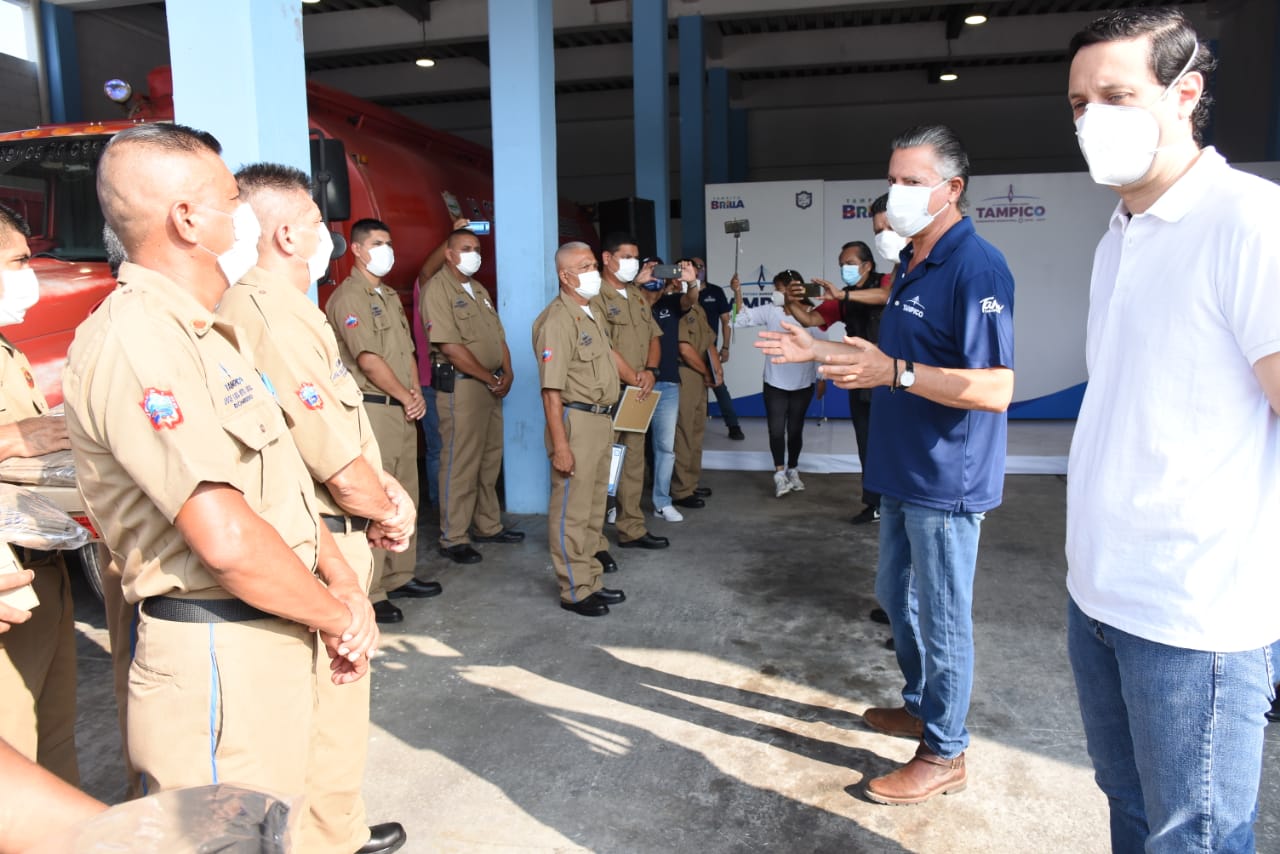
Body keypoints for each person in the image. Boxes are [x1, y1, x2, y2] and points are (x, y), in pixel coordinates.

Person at [63, 123, 377, 802]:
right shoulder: (139, 339)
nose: (242, 217)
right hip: (219, 649)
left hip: (273, 632)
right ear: (185, 218)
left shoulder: (206, 333)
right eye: (231, 199)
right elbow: (227, 540)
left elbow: (283, 491)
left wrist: (341, 579)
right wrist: (336, 614)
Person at [1064, 11, 1280, 852]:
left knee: (1191, 836)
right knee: (1129, 808)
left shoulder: (1248, 222)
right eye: (1079, 102)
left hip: (1194, 619)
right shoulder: (1119, 235)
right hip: (1100, 598)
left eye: (1116, 94)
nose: (1091, 118)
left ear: (1185, 92)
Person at [757, 124, 1014, 805]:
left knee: (941, 612)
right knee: (895, 594)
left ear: (951, 189)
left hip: (944, 475)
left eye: (910, 182)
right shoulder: (908, 264)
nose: (895, 193)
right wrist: (816, 350)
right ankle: (922, 702)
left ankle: (944, 751)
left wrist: (893, 373)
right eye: (893, 179)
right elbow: (883, 367)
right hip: (901, 468)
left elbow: (995, 387)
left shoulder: (975, 267)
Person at [221, 163, 415, 854]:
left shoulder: (293, 310)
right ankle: (323, 840)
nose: (326, 236)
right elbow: (323, 450)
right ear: (284, 234)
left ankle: (341, 831)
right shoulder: (266, 315)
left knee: (340, 702)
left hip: (343, 527)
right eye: (316, 224)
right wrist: (384, 507)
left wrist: (380, 502)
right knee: (318, 701)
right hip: (321, 536)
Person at [0, 203, 78, 786]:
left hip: (41, 569)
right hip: (7, 587)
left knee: (51, 743)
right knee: (16, 764)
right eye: (18, 261)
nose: (31, 273)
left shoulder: (8, 350)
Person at [326, 219, 439, 618]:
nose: (386, 250)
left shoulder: (388, 295)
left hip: (400, 407)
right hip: (374, 406)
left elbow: (407, 352)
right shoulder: (349, 298)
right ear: (356, 249)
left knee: (404, 492)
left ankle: (400, 576)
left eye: (389, 242)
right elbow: (369, 360)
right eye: (377, 243)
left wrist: (413, 396)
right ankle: (372, 592)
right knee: (376, 499)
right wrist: (404, 395)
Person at [532, 242, 625, 616]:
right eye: (584, 267)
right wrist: (562, 446)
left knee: (592, 508)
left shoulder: (590, 314)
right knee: (571, 509)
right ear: (565, 276)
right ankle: (574, 589)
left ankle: (591, 580)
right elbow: (551, 392)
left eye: (593, 265)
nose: (592, 273)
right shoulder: (557, 320)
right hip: (576, 422)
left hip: (601, 420)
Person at [421, 228, 521, 565]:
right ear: (448, 254)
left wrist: (506, 372)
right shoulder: (438, 289)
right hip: (463, 385)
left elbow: (498, 337)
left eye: (476, 248)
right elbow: (449, 346)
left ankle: (488, 525)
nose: (473, 254)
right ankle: (454, 537)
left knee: (489, 458)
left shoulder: (478, 290)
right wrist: (489, 376)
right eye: (465, 248)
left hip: (489, 385)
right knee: (460, 462)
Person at [592, 234, 668, 550]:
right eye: (625, 256)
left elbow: (653, 336)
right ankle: (593, 541)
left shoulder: (636, 296)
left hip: (637, 392)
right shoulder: (595, 296)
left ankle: (632, 529)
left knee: (634, 463)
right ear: (607, 258)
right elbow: (605, 346)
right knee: (601, 469)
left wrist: (649, 371)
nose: (632, 263)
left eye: (635, 257)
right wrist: (634, 377)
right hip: (610, 393)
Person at [730, 269, 824, 497]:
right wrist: (738, 293)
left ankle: (793, 469)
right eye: (776, 289)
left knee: (794, 430)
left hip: (803, 383)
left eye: (779, 289)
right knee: (775, 430)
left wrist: (822, 378)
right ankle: (779, 474)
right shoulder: (771, 311)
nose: (775, 293)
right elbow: (737, 319)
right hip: (775, 382)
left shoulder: (812, 313)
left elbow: (822, 347)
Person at [814, 240, 890, 524]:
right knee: (866, 441)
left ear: (867, 265)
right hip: (859, 378)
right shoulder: (841, 295)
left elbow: (886, 295)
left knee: (895, 442)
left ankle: (901, 503)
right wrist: (792, 301)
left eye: (849, 263)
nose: (844, 268)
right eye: (841, 264)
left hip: (891, 376)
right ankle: (874, 504)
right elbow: (810, 317)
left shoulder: (884, 281)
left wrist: (843, 296)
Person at [414, 217, 470, 511]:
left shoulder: (470, 292)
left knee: (459, 450)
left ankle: (457, 509)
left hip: (462, 384)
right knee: (439, 448)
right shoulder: (430, 288)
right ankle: (442, 509)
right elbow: (425, 271)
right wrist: (452, 236)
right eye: (463, 249)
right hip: (432, 380)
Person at [671, 259, 722, 509]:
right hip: (686, 374)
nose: (696, 274)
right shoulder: (678, 306)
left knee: (697, 430)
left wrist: (716, 369)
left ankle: (691, 482)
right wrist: (706, 373)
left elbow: (709, 340)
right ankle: (681, 489)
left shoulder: (698, 308)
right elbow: (684, 348)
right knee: (684, 433)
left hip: (699, 374)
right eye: (689, 272)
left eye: (697, 270)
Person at [641, 259, 685, 524]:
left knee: (665, 447)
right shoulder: (632, 302)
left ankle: (662, 502)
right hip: (636, 383)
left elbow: (690, 299)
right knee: (628, 447)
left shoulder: (670, 303)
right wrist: (642, 287)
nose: (657, 276)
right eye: (652, 270)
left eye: (661, 270)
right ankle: (618, 505)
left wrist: (689, 282)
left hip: (667, 382)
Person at [692, 256, 745, 441]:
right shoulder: (681, 293)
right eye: (694, 266)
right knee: (690, 391)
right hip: (687, 350)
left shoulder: (715, 291)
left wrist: (725, 347)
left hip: (710, 350)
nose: (699, 269)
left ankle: (733, 426)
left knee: (719, 387)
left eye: (701, 266)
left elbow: (726, 321)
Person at [869, 193, 907, 287]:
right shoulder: (898, 271)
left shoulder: (942, 268)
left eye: (892, 228)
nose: (885, 237)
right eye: (878, 231)